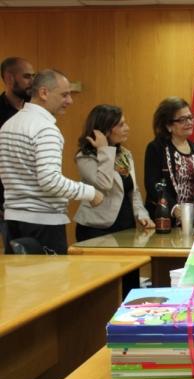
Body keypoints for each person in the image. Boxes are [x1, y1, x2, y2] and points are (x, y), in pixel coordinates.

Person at [0, 69, 103, 254]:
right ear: (44, 93)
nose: (70, 101)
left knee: (18, 273)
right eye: (64, 95)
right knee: (52, 274)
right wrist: (91, 193)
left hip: (13, 221)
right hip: (43, 223)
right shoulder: (45, 129)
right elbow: (50, 181)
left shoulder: (9, 125)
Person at [74, 105, 154, 296]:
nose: (127, 128)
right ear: (104, 129)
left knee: (130, 282)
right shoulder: (85, 156)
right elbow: (104, 183)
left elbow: (133, 190)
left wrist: (142, 214)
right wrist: (104, 149)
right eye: (121, 124)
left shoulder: (125, 154)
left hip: (125, 227)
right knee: (104, 288)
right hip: (97, 229)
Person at [144, 97, 194, 224]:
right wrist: (174, 208)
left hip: (192, 219)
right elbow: (153, 185)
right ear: (168, 125)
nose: (189, 122)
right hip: (165, 219)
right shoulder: (157, 148)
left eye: (190, 117)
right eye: (182, 120)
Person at [0, 57, 35, 249]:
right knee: (15, 255)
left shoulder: (35, 109)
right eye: (27, 76)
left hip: (35, 201)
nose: (32, 82)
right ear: (9, 78)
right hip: (6, 202)